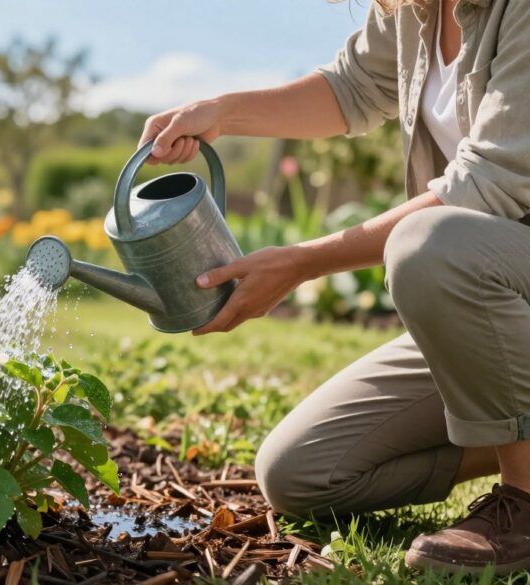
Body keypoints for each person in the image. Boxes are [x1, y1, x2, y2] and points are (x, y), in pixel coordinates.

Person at [137, 0, 530, 576]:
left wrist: (301, 262)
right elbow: (350, 87)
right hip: (505, 300)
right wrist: (218, 112)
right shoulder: (416, 10)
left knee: (430, 244)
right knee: (302, 471)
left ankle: (523, 504)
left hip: (493, 267)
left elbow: (490, 182)